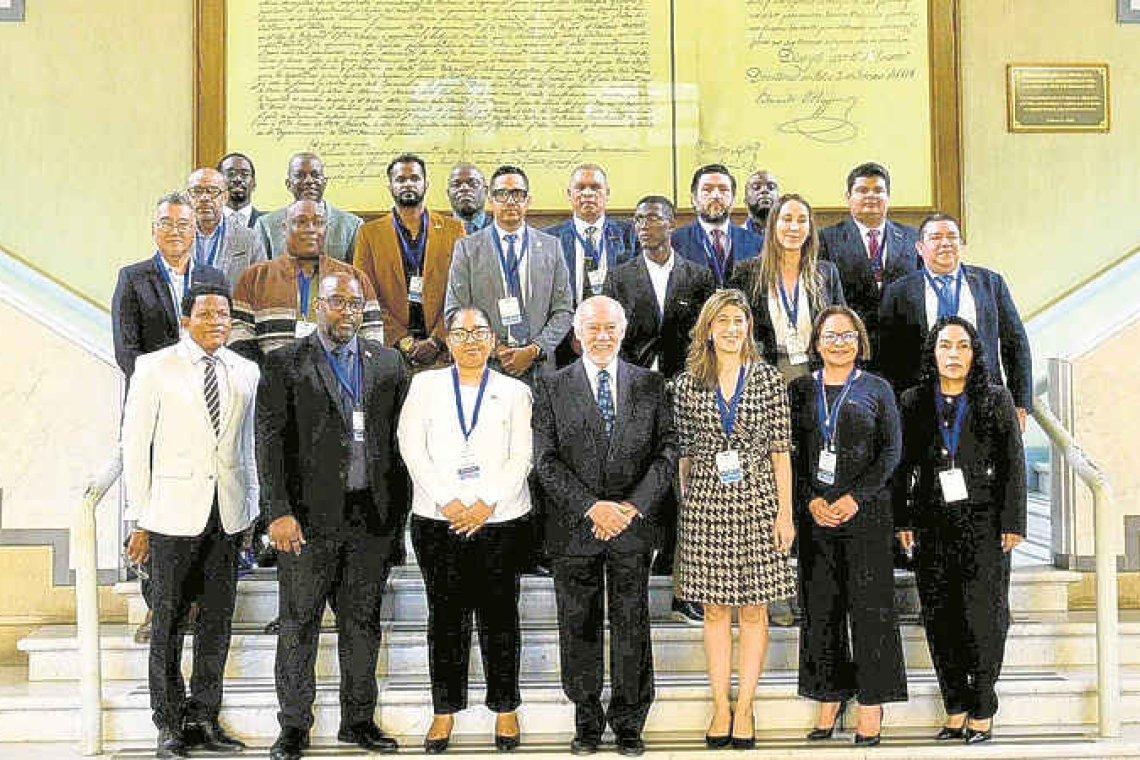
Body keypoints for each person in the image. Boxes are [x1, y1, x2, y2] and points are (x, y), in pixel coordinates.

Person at [258, 271, 409, 760]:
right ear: (316, 307)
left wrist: (396, 522)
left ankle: (358, 721)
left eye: (354, 304)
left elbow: (399, 447)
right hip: (306, 521)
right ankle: (294, 726)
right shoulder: (284, 363)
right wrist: (277, 512)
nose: (346, 312)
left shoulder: (387, 363)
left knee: (362, 625)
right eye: (336, 302)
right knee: (298, 625)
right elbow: (269, 445)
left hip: (371, 519)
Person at [533, 296, 678, 757]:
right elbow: (546, 460)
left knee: (632, 623)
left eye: (609, 328)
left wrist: (630, 508)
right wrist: (592, 508)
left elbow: (667, 452)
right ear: (577, 335)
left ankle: (630, 721)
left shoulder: (651, 385)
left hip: (633, 528)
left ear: (623, 330)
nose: (601, 336)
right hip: (575, 528)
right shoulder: (552, 386)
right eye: (592, 328)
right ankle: (587, 721)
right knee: (578, 624)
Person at [121, 283, 259, 759]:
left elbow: (249, 449)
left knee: (216, 625)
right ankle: (169, 723)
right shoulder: (154, 369)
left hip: (228, 513)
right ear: (186, 319)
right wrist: (137, 516)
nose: (217, 321)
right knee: (169, 624)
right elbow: (135, 446)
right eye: (206, 314)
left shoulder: (246, 371)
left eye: (223, 314)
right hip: (171, 515)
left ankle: (205, 717)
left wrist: (251, 512)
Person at [397, 306, 532, 754]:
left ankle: (506, 708)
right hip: (439, 519)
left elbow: (523, 456)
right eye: (461, 332)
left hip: (500, 518)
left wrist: (486, 502)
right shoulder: (424, 385)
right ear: (448, 340)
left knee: (500, 616)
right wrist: (448, 500)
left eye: (480, 332)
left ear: (493, 341)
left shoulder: (515, 391)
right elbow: (410, 446)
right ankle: (443, 711)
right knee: (446, 618)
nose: (471, 340)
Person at [671, 288, 796, 750]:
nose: (730, 329)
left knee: (755, 609)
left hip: (760, 501)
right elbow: (683, 456)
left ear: (748, 328)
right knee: (716, 610)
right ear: (707, 328)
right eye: (721, 320)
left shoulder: (767, 380)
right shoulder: (685, 384)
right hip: (706, 505)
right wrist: (688, 509)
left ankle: (746, 706)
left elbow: (781, 454)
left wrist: (785, 513)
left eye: (738, 321)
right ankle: (720, 705)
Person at [894, 316, 1026, 745]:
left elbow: (1013, 465)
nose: (954, 355)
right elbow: (901, 468)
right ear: (933, 352)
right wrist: (903, 520)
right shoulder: (913, 401)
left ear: (975, 353)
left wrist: (1013, 521)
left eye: (963, 347)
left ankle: (982, 707)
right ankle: (955, 707)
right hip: (932, 524)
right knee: (940, 619)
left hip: (986, 524)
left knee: (984, 619)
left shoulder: (996, 400)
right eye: (945, 346)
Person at [787, 306, 907, 746]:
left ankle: (871, 704)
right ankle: (829, 695)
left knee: (871, 609)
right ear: (816, 343)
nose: (839, 343)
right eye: (831, 336)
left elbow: (891, 451)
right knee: (822, 608)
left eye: (848, 336)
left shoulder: (877, 388)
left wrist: (854, 499)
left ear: (860, 342)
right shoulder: (799, 390)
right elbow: (789, 455)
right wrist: (811, 501)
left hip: (866, 514)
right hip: (816, 516)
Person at [604, 195, 714, 625]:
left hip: (685, 390)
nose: (644, 225)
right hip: (636, 392)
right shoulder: (620, 276)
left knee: (683, 483)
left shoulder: (698, 275)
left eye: (652, 217)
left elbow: (703, 336)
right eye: (637, 219)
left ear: (672, 223)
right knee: (640, 476)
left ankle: (681, 577)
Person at [878, 213, 1033, 430]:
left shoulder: (990, 283)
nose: (945, 243)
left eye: (952, 237)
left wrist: (1020, 403)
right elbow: (886, 357)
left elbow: (1015, 344)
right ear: (920, 248)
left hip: (984, 400)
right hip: (922, 405)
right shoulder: (899, 291)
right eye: (936, 237)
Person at [444, 164, 573, 385]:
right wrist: (497, 349)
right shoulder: (467, 248)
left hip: (540, 369)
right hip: (486, 366)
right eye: (502, 194)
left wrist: (534, 350)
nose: (510, 201)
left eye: (517, 194)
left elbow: (564, 311)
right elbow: (455, 312)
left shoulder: (552, 247)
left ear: (528, 200)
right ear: (490, 199)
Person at [230, 199, 383, 364]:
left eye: (318, 223)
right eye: (301, 222)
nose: (311, 229)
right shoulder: (254, 277)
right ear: (284, 228)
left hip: (340, 380)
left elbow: (372, 339)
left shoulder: (354, 278)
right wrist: (268, 376)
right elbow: (239, 339)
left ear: (326, 229)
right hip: (270, 381)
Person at [354, 153, 465, 370]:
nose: (408, 184)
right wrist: (404, 341)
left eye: (414, 178)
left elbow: (462, 292)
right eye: (400, 179)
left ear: (426, 184)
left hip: (443, 353)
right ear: (390, 186)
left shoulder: (454, 230)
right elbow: (366, 296)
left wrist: (436, 340)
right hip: (391, 352)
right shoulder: (369, 233)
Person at [112, 192, 228, 385]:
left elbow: (222, 338)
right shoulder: (132, 278)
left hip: (203, 390)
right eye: (166, 223)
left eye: (183, 224)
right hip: (151, 394)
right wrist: (164, 386)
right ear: (153, 229)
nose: (175, 231)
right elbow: (126, 351)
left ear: (194, 230)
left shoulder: (214, 278)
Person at [729, 193, 846, 383]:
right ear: (773, 225)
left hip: (818, 370)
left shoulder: (826, 273)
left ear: (810, 229)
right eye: (787, 219)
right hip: (763, 373)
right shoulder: (746, 273)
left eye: (802, 220)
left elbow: (841, 324)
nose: (794, 227)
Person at [818, 162, 920, 362]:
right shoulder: (826, 240)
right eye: (862, 190)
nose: (871, 196)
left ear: (888, 197)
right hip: (851, 350)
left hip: (905, 348)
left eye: (878, 190)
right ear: (848, 197)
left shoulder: (912, 237)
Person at [546, 164, 638, 367]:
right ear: (570, 194)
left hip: (618, 341)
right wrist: (574, 332)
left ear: (607, 193)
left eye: (595, 187)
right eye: (580, 187)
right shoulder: (549, 238)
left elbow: (636, 292)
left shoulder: (630, 235)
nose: (588, 194)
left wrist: (616, 330)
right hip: (566, 342)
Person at [254, 152, 364, 261]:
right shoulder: (266, 225)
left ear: (324, 182)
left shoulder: (352, 225)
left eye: (315, 175)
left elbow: (356, 274)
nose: (309, 181)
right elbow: (261, 273)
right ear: (288, 184)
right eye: (300, 175)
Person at [671, 164, 763, 286]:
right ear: (693, 198)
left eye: (723, 189)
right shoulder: (674, 242)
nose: (715, 195)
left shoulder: (757, 244)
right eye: (707, 190)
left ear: (733, 199)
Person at [186, 167, 267, 286]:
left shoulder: (249, 239)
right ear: (188, 197)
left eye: (212, 191)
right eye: (197, 191)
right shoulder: (177, 236)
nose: (204, 198)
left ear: (225, 197)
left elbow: (262, 286)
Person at [218, 152, 263, 229]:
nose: (237, 179)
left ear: (254, 183)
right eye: (230, 174)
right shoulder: (204, 223)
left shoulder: (269, 223)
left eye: (244, 174)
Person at [447, 162, 493, 234]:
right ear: (448, 193)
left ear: (486, 191)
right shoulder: (434, 230)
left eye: (473, 184)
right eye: (456, 185)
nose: (464, 188)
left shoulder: (502, 227)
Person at [740, 170, 778, 238]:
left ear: (779, 200)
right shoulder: (733, 239)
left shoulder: (791, 235)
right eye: (756, 187)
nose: (764, 190)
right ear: (746, 201)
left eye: (771, 187)